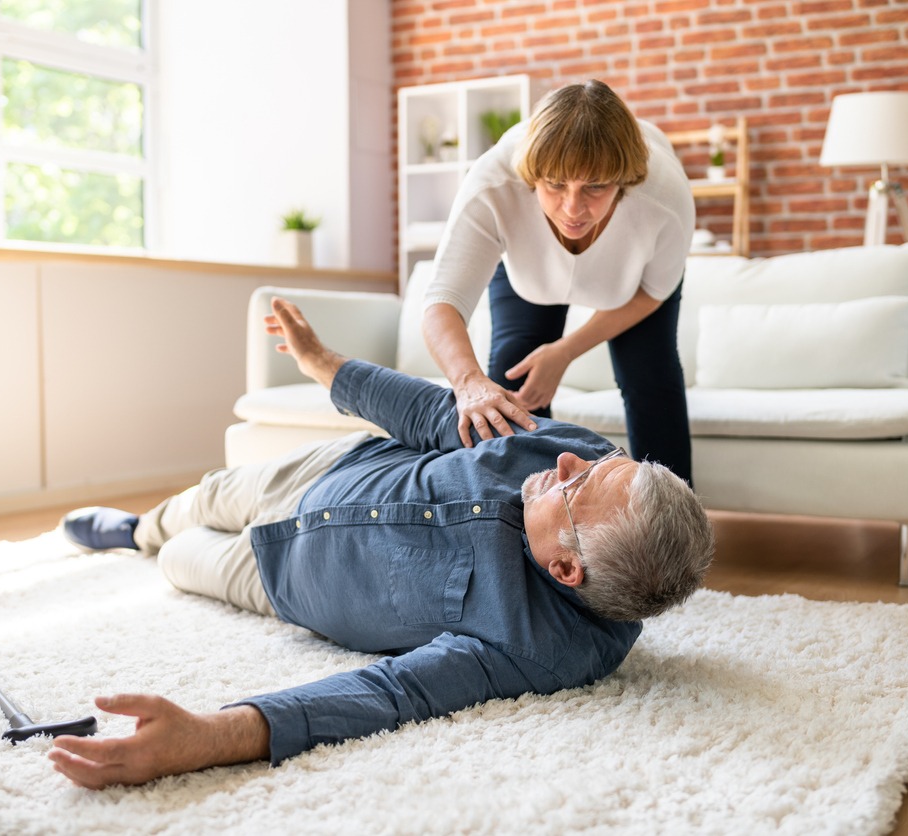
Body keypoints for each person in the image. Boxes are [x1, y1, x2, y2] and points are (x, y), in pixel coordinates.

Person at [48, 297, 714, 789]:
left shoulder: (544, 650)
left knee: (180, 558)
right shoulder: (573, 453)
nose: (569, 462)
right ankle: (134, 528)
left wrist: (212, 736)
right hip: (333, 471)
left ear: (566, 568)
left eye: (574, 490)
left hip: (287, 580)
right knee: (206, 496)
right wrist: (323, 365)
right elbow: (433, 414)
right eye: (602, 463)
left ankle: (158, 546)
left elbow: (395, 693)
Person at [421, 80, 696, 483]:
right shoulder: (493, 186)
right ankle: (525, 525)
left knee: (650, 381)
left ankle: (674, 534)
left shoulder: (664, 200)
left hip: (633, 286)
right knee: (510, 385)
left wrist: (565, 352)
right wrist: (469, 384)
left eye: (595, 187)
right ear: (533, 177)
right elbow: (441, 301)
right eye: (555, 184)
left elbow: (653, 292)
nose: (572, 209)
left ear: (623, 181)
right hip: (530, 271)